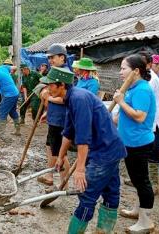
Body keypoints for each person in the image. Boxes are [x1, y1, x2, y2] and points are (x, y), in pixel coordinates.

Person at [43, 67, 127, 234]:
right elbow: (68, 132)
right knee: (111, 192)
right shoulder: (70, 98)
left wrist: (80, 169)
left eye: (50, 85)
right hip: (107, 149)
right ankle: (103, 230)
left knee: (87, 194)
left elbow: (83, 138)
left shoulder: (78, 99)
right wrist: (60, 157)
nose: (47, 89)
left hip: (104, 151)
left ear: (61, 85)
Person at [113, 54, 156, 233]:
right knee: (137, 180)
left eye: (124, 68)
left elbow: (140, 116)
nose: (120, 72)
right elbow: (126, 114)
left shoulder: (142, 90)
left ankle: (146, 221)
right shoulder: (133, 87)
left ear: (136, 71)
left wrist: (121, 102)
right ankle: (138, 210)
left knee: (142, 181)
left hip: (139, 143)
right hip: (130, 142)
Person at [37, 43, 70, 187]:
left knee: (60, 153)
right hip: (54, 117)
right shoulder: (55, 71)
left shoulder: (64, 74)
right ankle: (50, 175)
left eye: (53, 57)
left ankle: (64, 182)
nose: (50, 60)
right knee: (50, 147)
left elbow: (65, 98)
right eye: (49, 58)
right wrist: (47, 111)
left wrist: (48, 98)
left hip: (61, 119)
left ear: (62, 57)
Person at [140, 51, 159, 195]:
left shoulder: (150, 79)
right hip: (152, 122)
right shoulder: (147, 77)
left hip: (155, 122)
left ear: (149, 64)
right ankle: (145, 181)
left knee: (153, 154)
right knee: (148, 153)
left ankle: (153, 185)